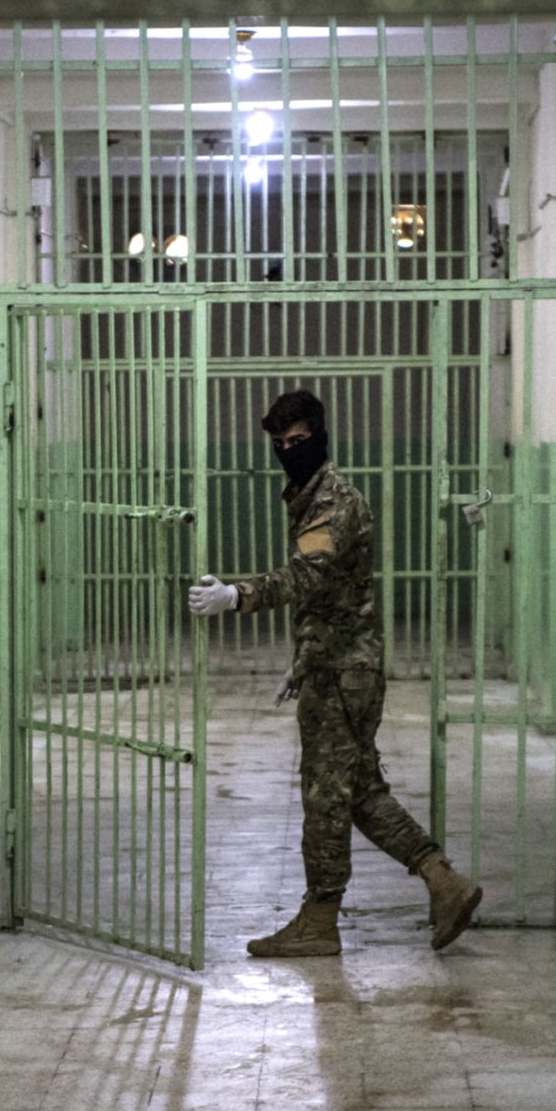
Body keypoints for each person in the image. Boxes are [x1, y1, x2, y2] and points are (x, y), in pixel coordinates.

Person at [188, 389, 482, 957]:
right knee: (359, 790)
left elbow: (307, 577)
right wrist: (305, 661)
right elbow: (326, 603)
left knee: (326, 795)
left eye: (297, 441)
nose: (287, 450)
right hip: (337, 666)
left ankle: (320, 919)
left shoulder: (335, 500)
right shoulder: (307, 494)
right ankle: (444, 881)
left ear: (320, 437)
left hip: (347, 672)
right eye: (278, 444)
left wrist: (236, 596)